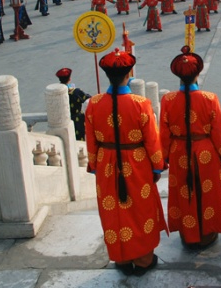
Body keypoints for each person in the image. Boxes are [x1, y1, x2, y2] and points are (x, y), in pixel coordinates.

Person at [84, 49, 167, 275]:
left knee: (113, 212)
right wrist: (157, 166)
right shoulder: (141, 103)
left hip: (106, 163)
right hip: (137, 162)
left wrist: (95, 165)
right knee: (140, 211)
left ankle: (121, 259)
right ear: (129, 73)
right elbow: (152, 140)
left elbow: (90, 140)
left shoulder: (94, 103)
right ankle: (143, 260)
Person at [159, 46, 221, 248]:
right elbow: (218, 131)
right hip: (205, 151)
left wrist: (164, 157)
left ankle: (188, 233)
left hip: (179, 152)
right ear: (198, 74)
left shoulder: (167, 100)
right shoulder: (210, 98)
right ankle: (207, 233)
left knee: (184, 193)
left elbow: (164, 133)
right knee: (208, 193)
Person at [57, 68, 91, 141]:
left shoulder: (57, 93)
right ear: (69, 79)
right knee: (80, 139)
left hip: (64, 120)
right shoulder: (76, 92)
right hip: (78, 120)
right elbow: (89, 98)